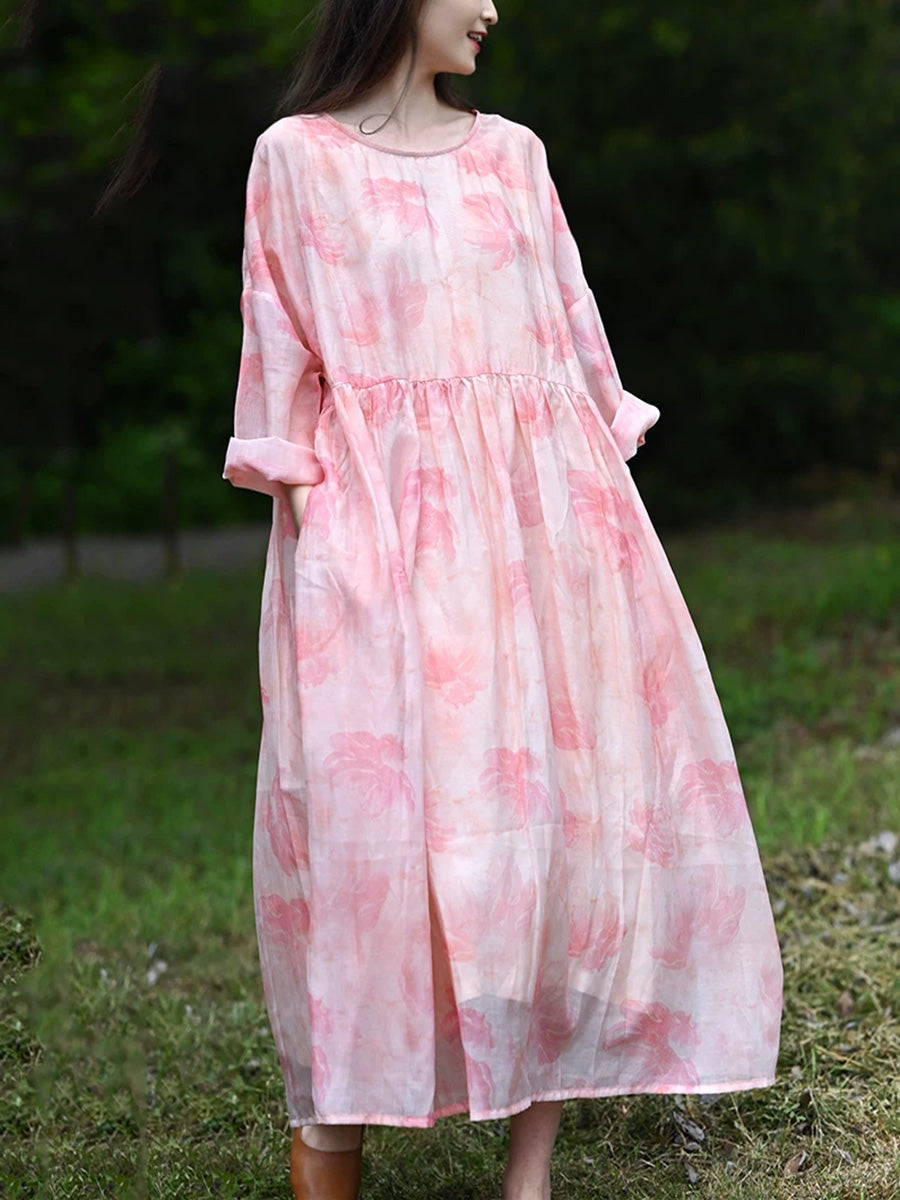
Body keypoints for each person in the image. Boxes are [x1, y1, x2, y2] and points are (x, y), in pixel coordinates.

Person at [222, 1, 784, 1197]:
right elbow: (280, 365)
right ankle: (339, 1122)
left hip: (541, 537)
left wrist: (584, 546)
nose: (492, 8)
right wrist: (326, 554)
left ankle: (529, 1177)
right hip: (375, 544)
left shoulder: (515, 156)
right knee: (370, 836)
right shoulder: (297, 159)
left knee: (551, 828)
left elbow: (573, 349)